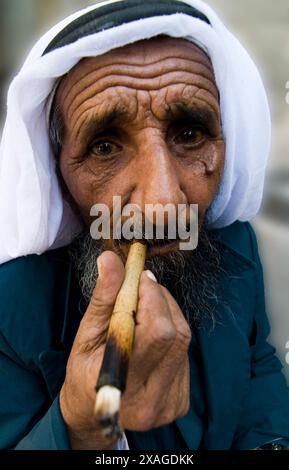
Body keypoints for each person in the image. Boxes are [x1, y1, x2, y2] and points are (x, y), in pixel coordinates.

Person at [0, 0, 289, 450]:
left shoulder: (236, 246)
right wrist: (79, 425)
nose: (161, 202)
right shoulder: (11, 303)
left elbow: (259, 368)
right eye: (105, 147)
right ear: (55, 172)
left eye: (189, 134)